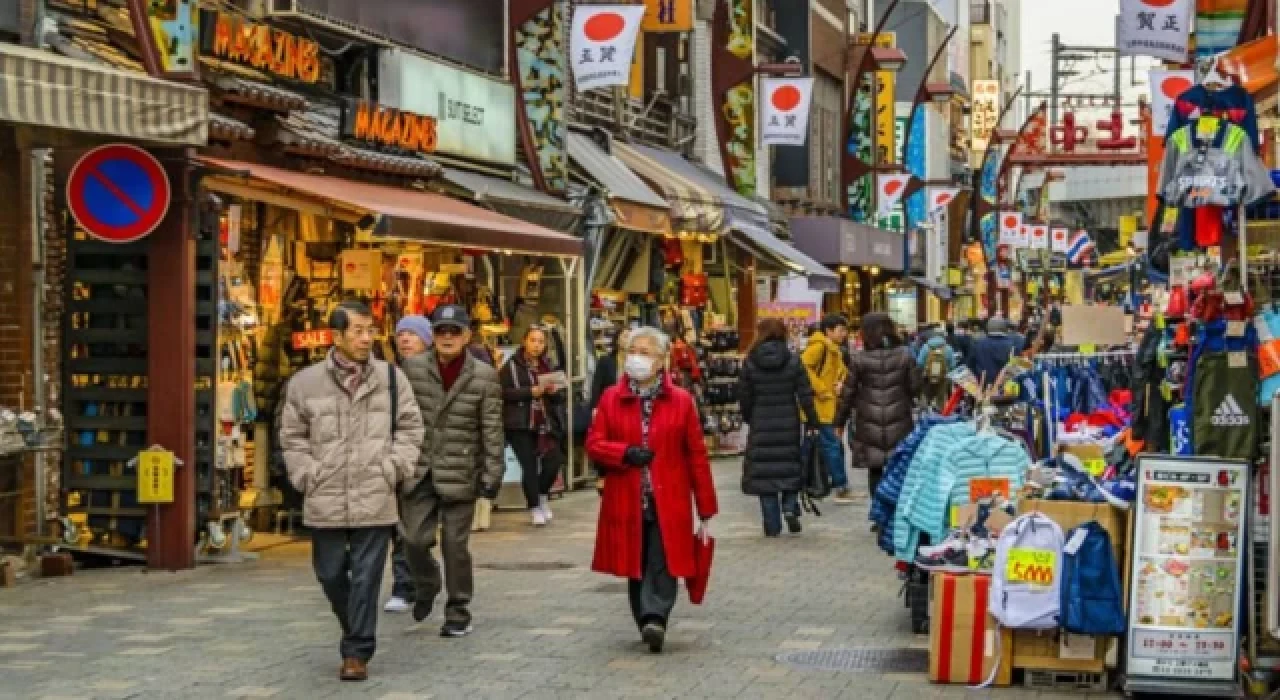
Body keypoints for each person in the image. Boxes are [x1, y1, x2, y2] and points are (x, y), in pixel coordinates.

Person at [278, 301, 424, 682]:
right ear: (337, 336)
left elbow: (411, 428)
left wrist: (393, 466)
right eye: (357, 331)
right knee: (329, 574)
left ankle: (356, 650)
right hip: (324, 492)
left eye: (370, 330)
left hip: (375, 491)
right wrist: (307, 473)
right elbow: (292, 437)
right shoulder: (305, 383)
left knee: (367, 576)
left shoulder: (391, 378)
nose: (365, 338)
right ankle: (353, 627)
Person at [587, 327, 718, 653]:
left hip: (669, 495)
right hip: (626, 496)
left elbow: (696, 454)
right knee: (636, 558)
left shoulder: (681, 401)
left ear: (661, 362)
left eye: (646, 352)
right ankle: (643, 614)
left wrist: (705, 503)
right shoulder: (611, 398)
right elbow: (594, 443)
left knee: (662, 557)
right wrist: (624, 453)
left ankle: (655, 616)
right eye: (633, 350)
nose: (637, 358)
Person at [400, 304, 504, 638]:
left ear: (466, 335)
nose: (447, 337)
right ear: (432, 335)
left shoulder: (484, 375)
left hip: (462, 468)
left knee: (455, 546)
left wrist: (492, 472)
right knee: (413, 539)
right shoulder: (411, 368)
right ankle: (427, 583)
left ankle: (458, 608)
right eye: (441, 331)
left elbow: (491, 427)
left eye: (454, 331)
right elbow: (398, 419)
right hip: (419, 468)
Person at [738, 319, 819, 537]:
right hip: (788, 421)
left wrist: (750, 418)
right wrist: (812, 421)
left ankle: (772, 526)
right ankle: (790, 506)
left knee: (764, 473)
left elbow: (744, 396)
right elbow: (805, 393)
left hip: (761, 420)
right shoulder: (792, 360)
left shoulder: (751, 361)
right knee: (790, 464)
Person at [835, 312, 920, 507]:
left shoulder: (859, 359)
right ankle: (895, 510)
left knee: (875, 469)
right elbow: (915, 387)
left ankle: (878, 512)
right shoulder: (905, 355)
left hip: (868, 420)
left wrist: (839, 422)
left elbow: (847, 393)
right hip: (899, 418)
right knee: (898, 466)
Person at [385, 315, 432, 614]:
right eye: (400, 334)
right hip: (394, 459)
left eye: (412, 335)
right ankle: (404, 585)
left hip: (429, 460)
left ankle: (423, 577)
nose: (405, 339)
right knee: (399, 526)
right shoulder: (387, 374)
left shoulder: (435, 374)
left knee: (417, 532)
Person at [500, 326, 568, 527]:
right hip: (520, 423)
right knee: (529, 466)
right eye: (533, 340)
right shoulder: (512, 366)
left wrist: (553, 391)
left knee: (553, 462)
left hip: (547, 423)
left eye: (540, 341)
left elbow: (560, 398)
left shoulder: (548, 365)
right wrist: (531, 392)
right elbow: (503, 392)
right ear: (524, 341)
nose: (536, 345)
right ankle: (534, 506)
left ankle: (542, 494)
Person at [801, 314, 852, 503]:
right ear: (828, 331)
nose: (844, 334)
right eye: (841, 330)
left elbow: (843, 373)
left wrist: (842, 383)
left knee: (826, 445)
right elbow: (804, 367)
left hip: (829, 405)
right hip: (819, 406)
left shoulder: (834, 350)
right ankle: (840, 485)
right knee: (831, 445)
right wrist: (822, 389)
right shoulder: (819, 347)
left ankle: (829, 483)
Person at [967, 316, 1025, 389]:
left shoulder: (978, 343)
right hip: (1005, 388)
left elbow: (970, 365)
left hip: (982, 386)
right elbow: (1017, 368)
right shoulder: (1012, 345)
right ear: (1004, 328)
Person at [916, 326, 957, 411]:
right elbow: (953, 365)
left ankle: (925, 415)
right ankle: (939, 415)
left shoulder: (926, 347)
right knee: (941, 398)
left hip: (927, 377)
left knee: (926, 397)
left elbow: (919, 363)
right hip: (943, 378)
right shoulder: (948, 348)